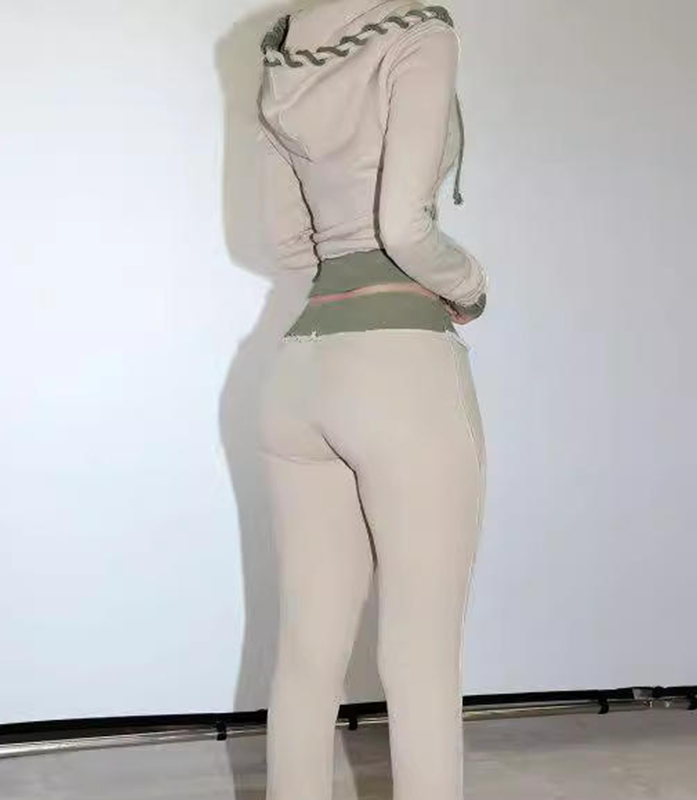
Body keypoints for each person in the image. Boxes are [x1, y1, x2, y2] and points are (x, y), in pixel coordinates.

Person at [255, 2, 488, 799]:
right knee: (421, 657)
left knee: (306, 656)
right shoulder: (418, 32)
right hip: (400, 373)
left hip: (299, 373)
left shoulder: (285, 48)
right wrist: (470, 285)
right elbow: (405, 226)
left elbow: (288, 242)